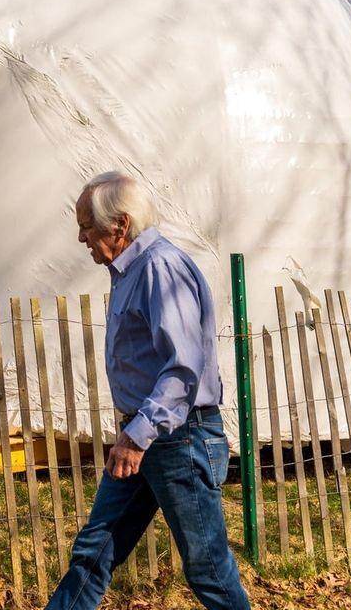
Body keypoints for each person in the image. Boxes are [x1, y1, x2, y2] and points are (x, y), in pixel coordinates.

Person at [45, 171, 251, 610]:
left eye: (86, 225)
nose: (81, 237)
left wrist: (138, 435)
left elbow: (182, 366)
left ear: (119, 225)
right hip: (145, 436)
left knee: (208, 569)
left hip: (176, 438)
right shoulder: (131, 270)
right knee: (94, 550)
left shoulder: (159, 268)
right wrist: (135, 435)